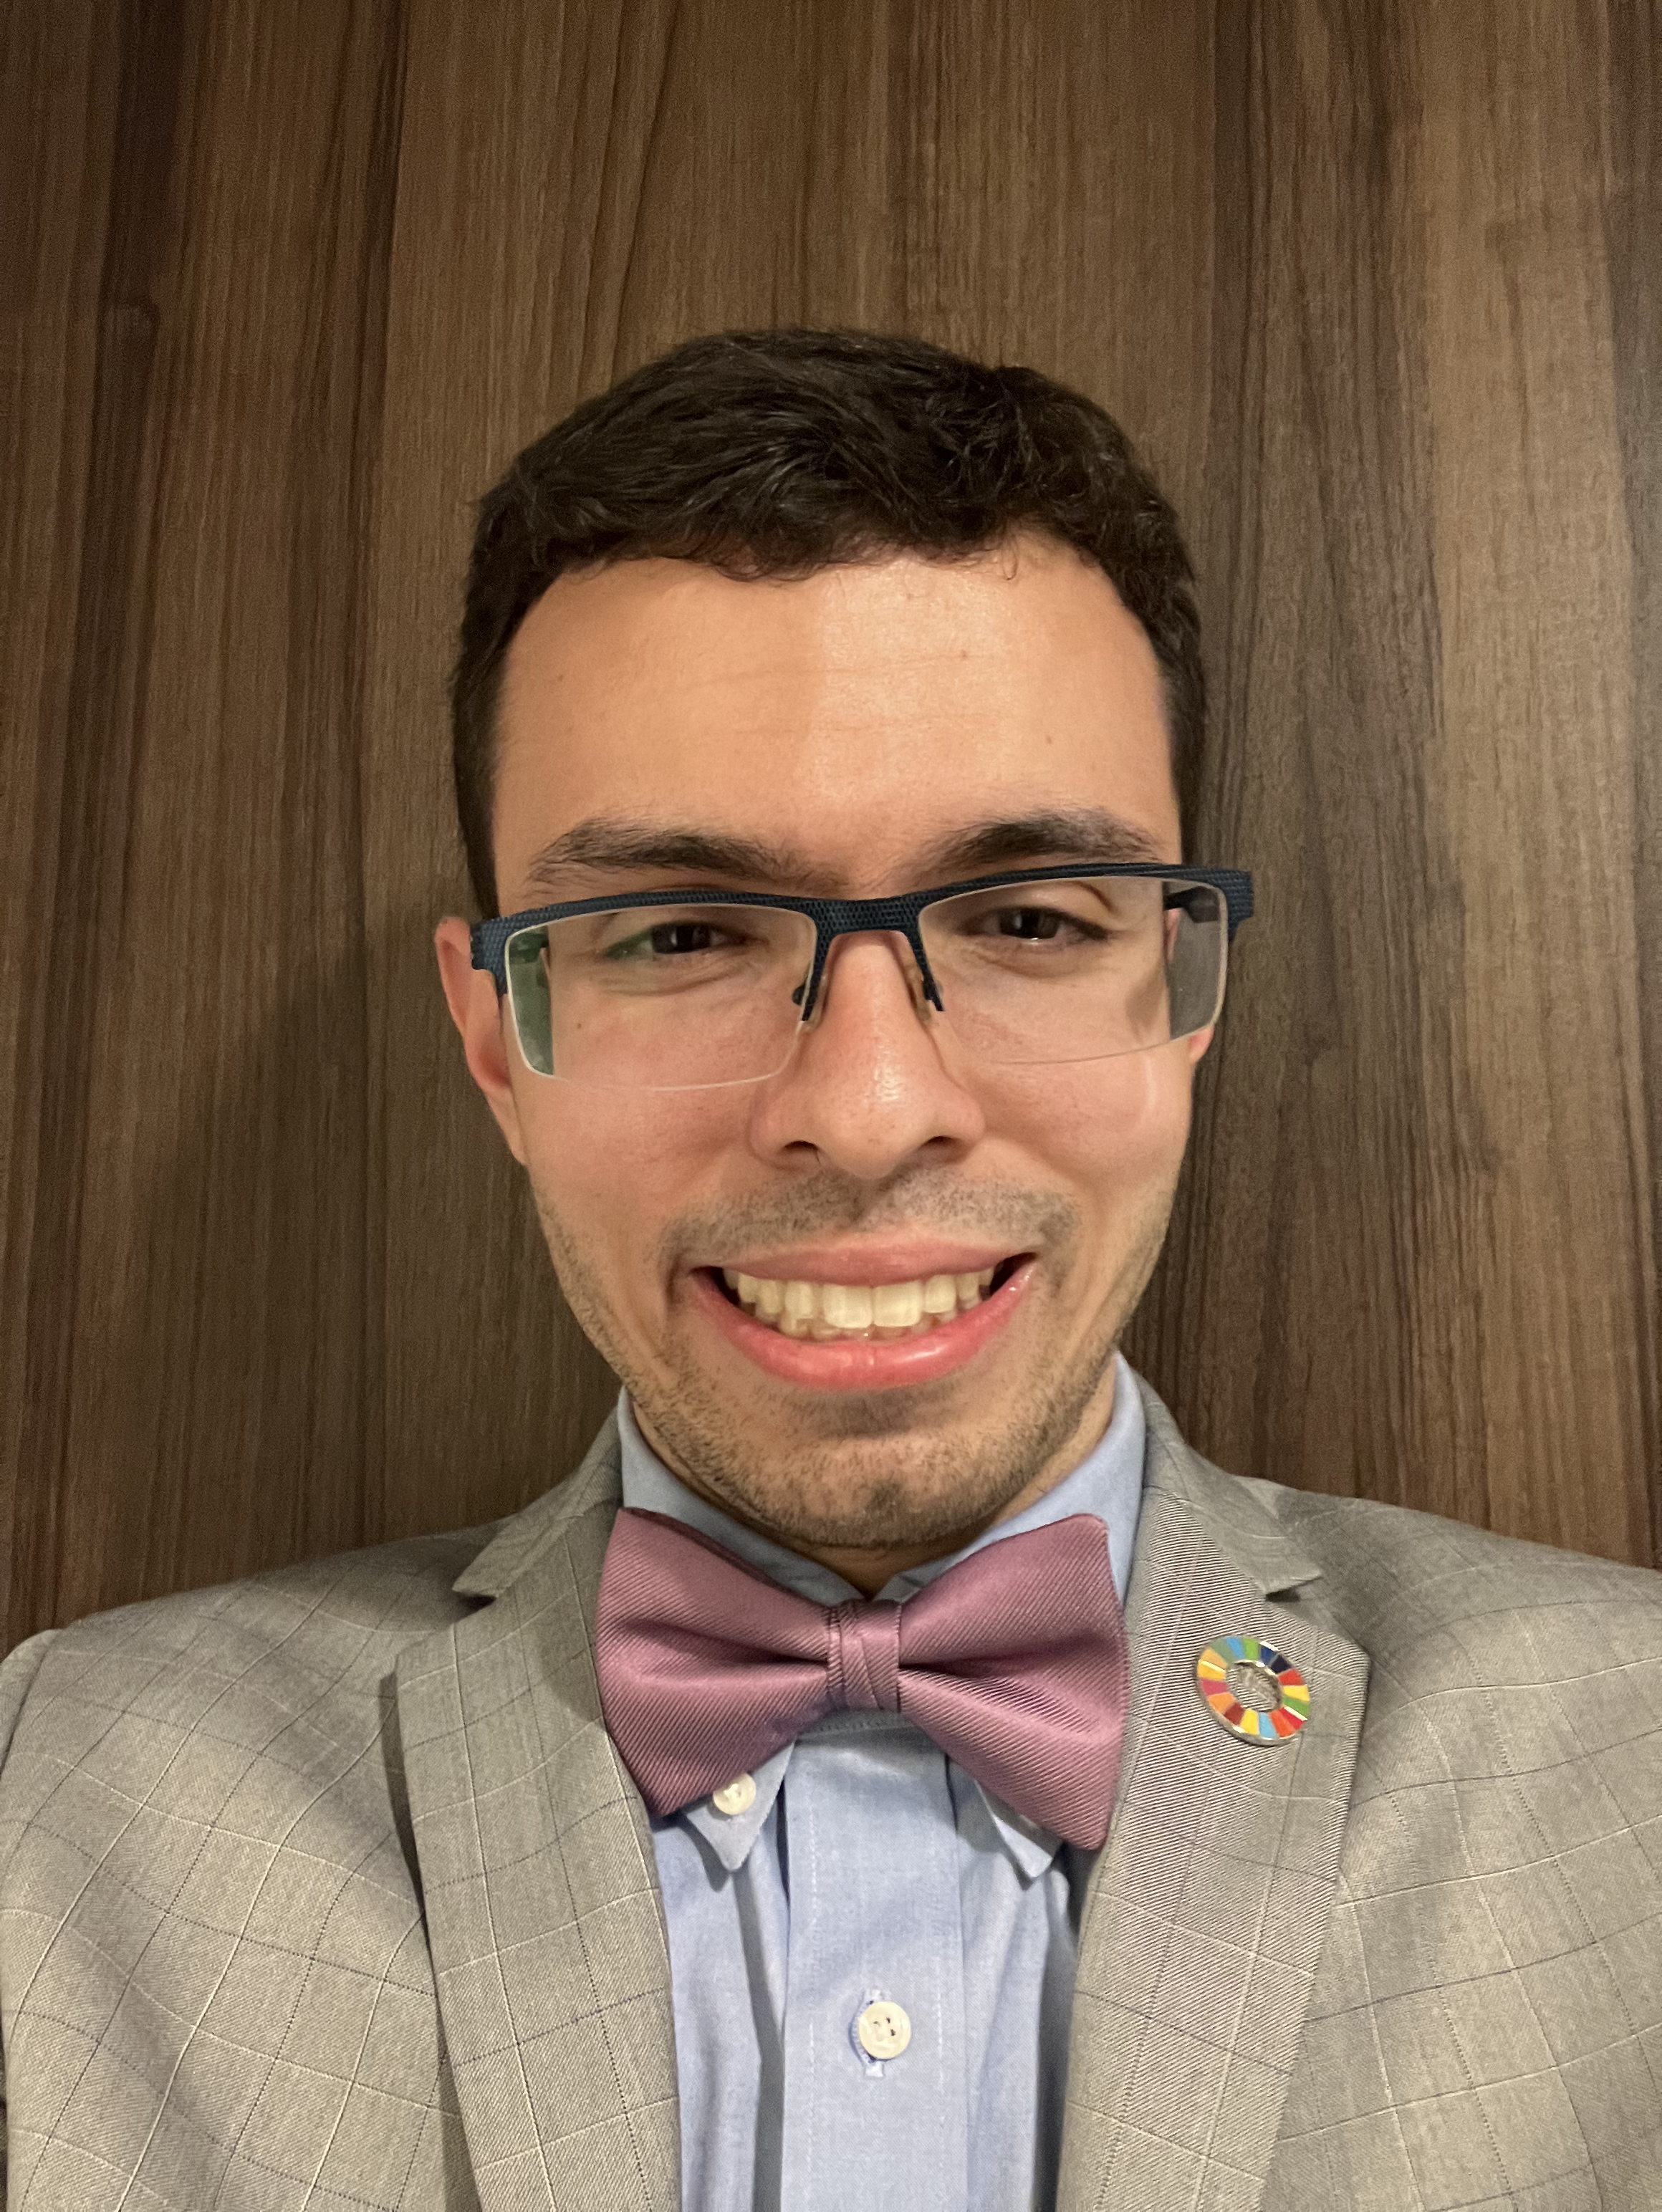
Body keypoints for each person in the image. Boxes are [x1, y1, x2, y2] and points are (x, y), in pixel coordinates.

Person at [0, 329, 1657, 2212]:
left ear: (1188, 998)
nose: (870, 1110)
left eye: (1032, 916)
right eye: (683, 929)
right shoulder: (61, 1808)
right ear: (495, 1041)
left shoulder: (1638, 1769)